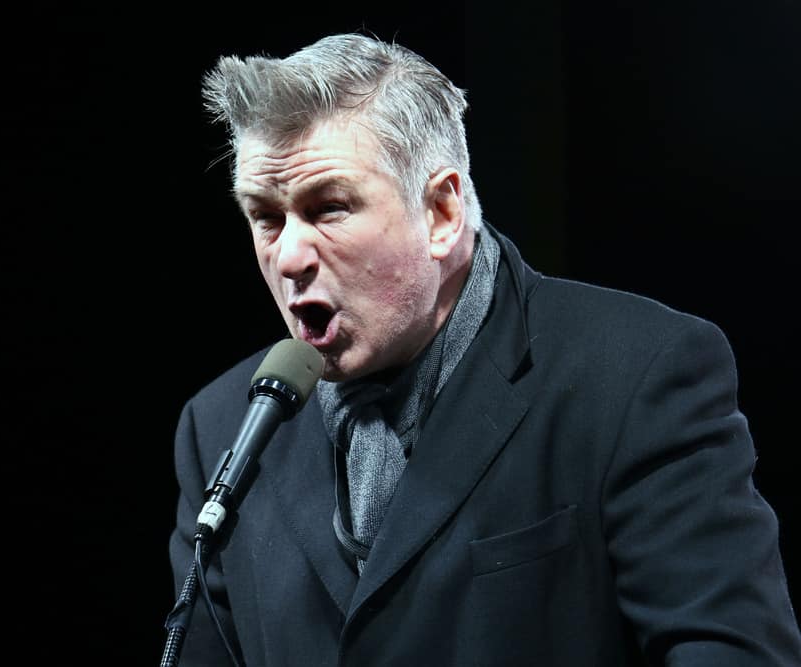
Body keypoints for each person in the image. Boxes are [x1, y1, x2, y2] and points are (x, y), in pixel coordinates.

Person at [167, 32, 801, 665]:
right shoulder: (220, 428)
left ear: (442, 212)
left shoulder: (634, 373)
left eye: (329, 208)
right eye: (267, 218)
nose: (290, 256)